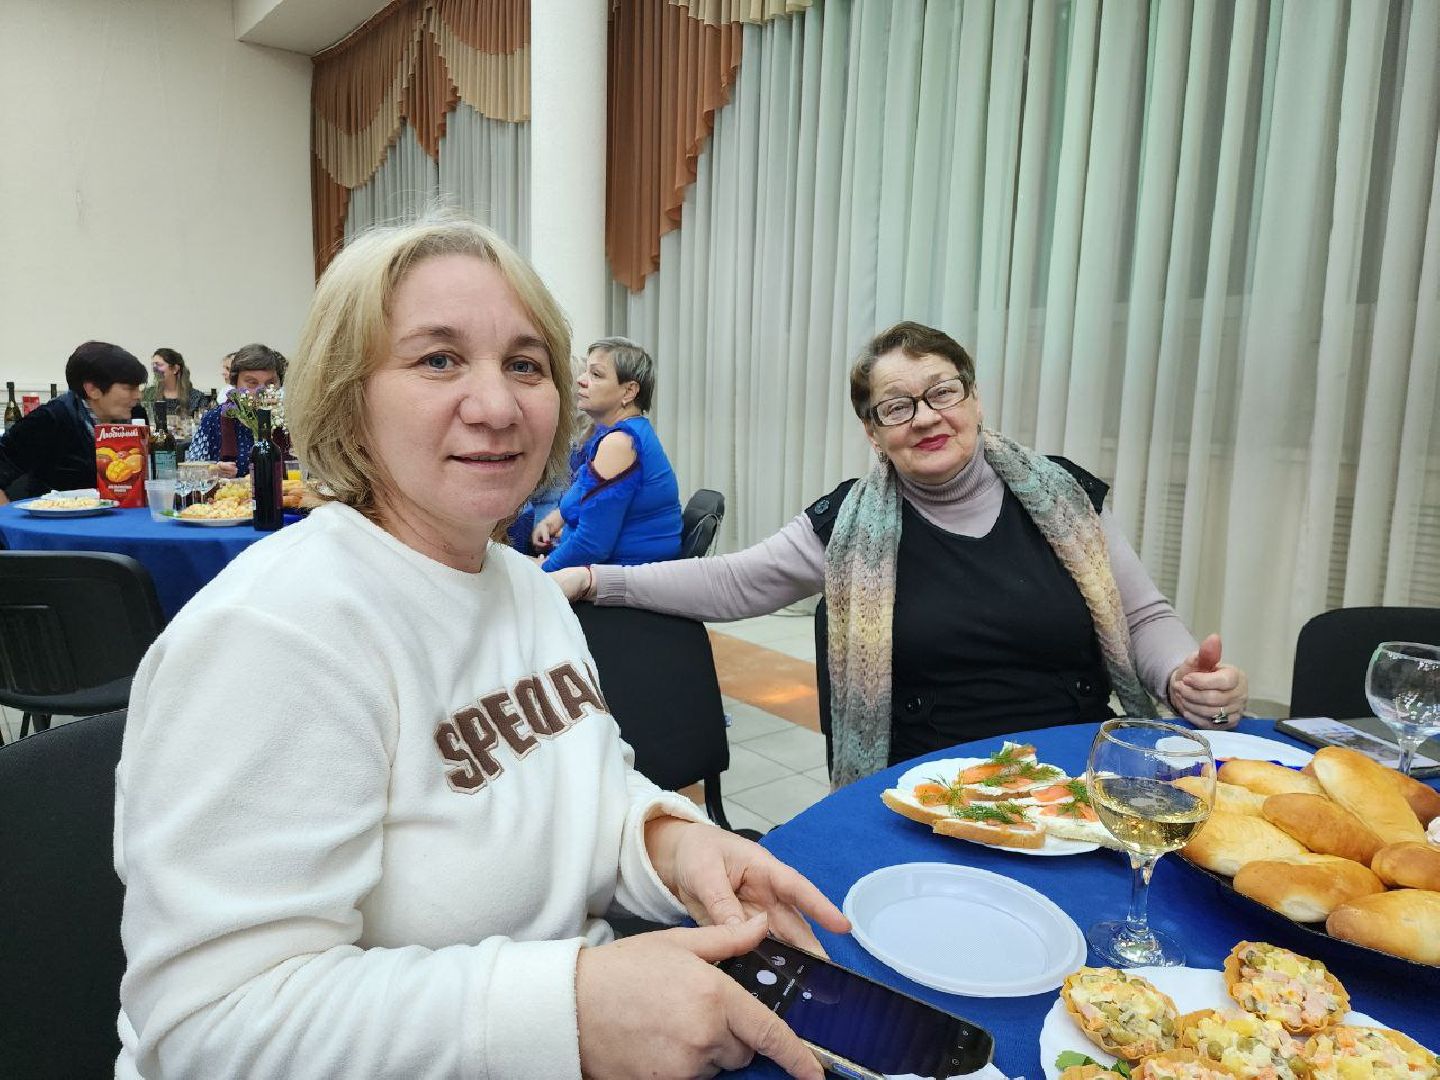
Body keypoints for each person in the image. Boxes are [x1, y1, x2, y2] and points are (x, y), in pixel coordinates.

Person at [114, 214, 847, 1080]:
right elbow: (210, 1029)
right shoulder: (274, 635)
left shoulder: (524, 590)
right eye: (438, 359)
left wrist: (672, 847)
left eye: (526, 365)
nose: (498, 407)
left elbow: (583, 791)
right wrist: (574, 1012)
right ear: (349, 399)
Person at [552, 322, 1251, 787]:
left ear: (974, 399)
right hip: (926, 789)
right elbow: (733, 583)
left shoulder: (1067, 497)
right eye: (896, 406)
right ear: (872, 432)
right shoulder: (845, 523)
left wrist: (1183, 677)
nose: (926, 417)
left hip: (1073, 781)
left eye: (942, 392)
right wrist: (593, 580)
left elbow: (1142, 616)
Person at [535, 338, 683, 571]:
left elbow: (592, 546)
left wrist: (541, 572)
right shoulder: (622, 432)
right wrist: (554, 519)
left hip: (621, 576)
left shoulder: (619, 443)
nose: (581, 380)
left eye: (596, 374)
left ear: (629, 391)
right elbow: (585, 488)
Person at [0, 341, 146, 504]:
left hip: (124, 514)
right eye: (129, 388)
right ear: (92, 389)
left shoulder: (136, 415)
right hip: (60, 516)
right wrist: (7, 517)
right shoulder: (50, 419)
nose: (138, 395)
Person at [186, 342, 285, 476]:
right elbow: (190, 472)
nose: (261, 391)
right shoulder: (213, 419)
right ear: (235, 383)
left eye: (270, 383)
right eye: (252, 383)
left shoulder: (289, 420)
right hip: (230, 489)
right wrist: (213, 471)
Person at [140, 347, 206, 419]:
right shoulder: (147, 395)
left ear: (175, 369)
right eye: (153, 365)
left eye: (159, 364)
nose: (154, 369)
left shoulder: (197, 398)